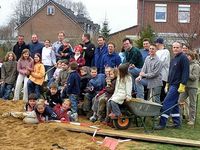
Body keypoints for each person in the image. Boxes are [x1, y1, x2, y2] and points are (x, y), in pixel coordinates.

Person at [155, 42, 189, 130]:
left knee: (167, 103)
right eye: (174, 47)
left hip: (177, 85)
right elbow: (170, 73)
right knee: (173, 104)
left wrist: (183, 84)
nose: (175, 49)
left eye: (177, 47)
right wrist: (167, 83)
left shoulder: (183, 58)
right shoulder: (174, 59)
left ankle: (162, 124)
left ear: (181, 48)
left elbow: (186, 72)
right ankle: (177, 123)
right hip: (171, 84)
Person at [179, 51, 200, 125]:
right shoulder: (186, 64)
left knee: (192, 103)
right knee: (180, 101)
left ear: (192, 56)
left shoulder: (196, 66)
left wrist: (186, 73)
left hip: (192, 87)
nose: (186, 57)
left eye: (188, 56)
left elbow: (195, 77)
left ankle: (192, 120)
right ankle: (179, 118)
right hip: (185, 86)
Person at [155, 37, 170, 102]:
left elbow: (161, 62)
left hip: (163, 76)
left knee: (161, 93)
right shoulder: (157, 51)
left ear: (159, 43)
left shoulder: (166, 51)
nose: (156, 44)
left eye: (156, 43)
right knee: (157, 93)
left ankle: (164, 107)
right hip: (155, 75)